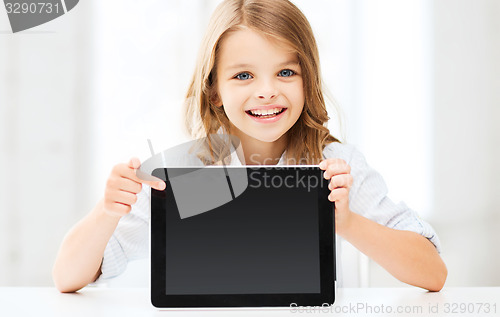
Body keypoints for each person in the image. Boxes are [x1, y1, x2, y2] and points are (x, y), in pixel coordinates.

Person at [52, 0, 447, 293]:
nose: (267, 91)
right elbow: (67, 276)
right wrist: (107, 212)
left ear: (307, 80)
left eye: (286, 72)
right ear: (215, 92)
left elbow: (433, 272)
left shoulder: (335, 165)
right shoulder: (189, 173)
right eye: (243, 75)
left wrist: (346, 222)